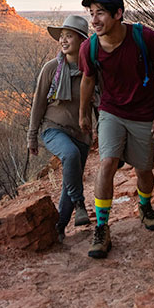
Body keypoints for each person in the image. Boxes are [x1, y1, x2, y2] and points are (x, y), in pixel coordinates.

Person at [79, 0, 154, 259]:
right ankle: (102, 227)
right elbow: (88, 80)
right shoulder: (90, 46)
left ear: (118, 14)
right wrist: (83, 112)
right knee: (107, 163)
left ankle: (145, 206)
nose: (94, 20)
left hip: (144, 112)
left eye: (101, 13)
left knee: (143, 170)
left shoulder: (145, 37)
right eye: (91, 14)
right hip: (111, 111)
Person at [27, 14, 94, 242]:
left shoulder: (91, 70)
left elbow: (100, 102)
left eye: (69, 36)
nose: (63, 41)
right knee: (70, 154)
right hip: (53, 128)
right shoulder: (52, 68)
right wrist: (32, 137)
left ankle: (59, 229)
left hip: (82, 134)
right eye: (62, 37)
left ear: (82, 41)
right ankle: (81, 204)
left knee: (69, 181)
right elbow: (38, 104)